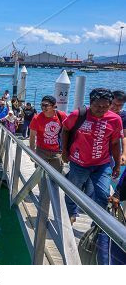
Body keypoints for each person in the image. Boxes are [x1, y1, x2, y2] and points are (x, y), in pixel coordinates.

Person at [62, 88, 123, 265]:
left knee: (103, 194)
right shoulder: (78, 114)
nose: (101, 110)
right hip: (78, 162)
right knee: (73, 189)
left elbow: (115, 143)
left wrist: (117, 164)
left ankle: (97, 225)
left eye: (105, 107)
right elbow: (65, 130)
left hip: (102, 163)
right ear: (91, 103)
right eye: (97, 106)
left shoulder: (115, 119)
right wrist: (64, 150)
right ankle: (71, 214)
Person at [29, 95, 67, 172]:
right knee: (40, 175)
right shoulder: (37, 118)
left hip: (57, 151)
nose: (43, 107)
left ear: (54, 106)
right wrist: (32, 152)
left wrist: (66, 151)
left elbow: (69, 131)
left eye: (46, 105)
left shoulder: (61, 116)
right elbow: (32, 136)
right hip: (41, 151)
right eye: (42, 105)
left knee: (56, 176)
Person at [110, 90, 126, 165]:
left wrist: (124, 154)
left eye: (120, 105)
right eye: (114, 104)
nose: (115, 107)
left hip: (110, 150)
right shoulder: (99, 112)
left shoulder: (123, 116)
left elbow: (124, 137)